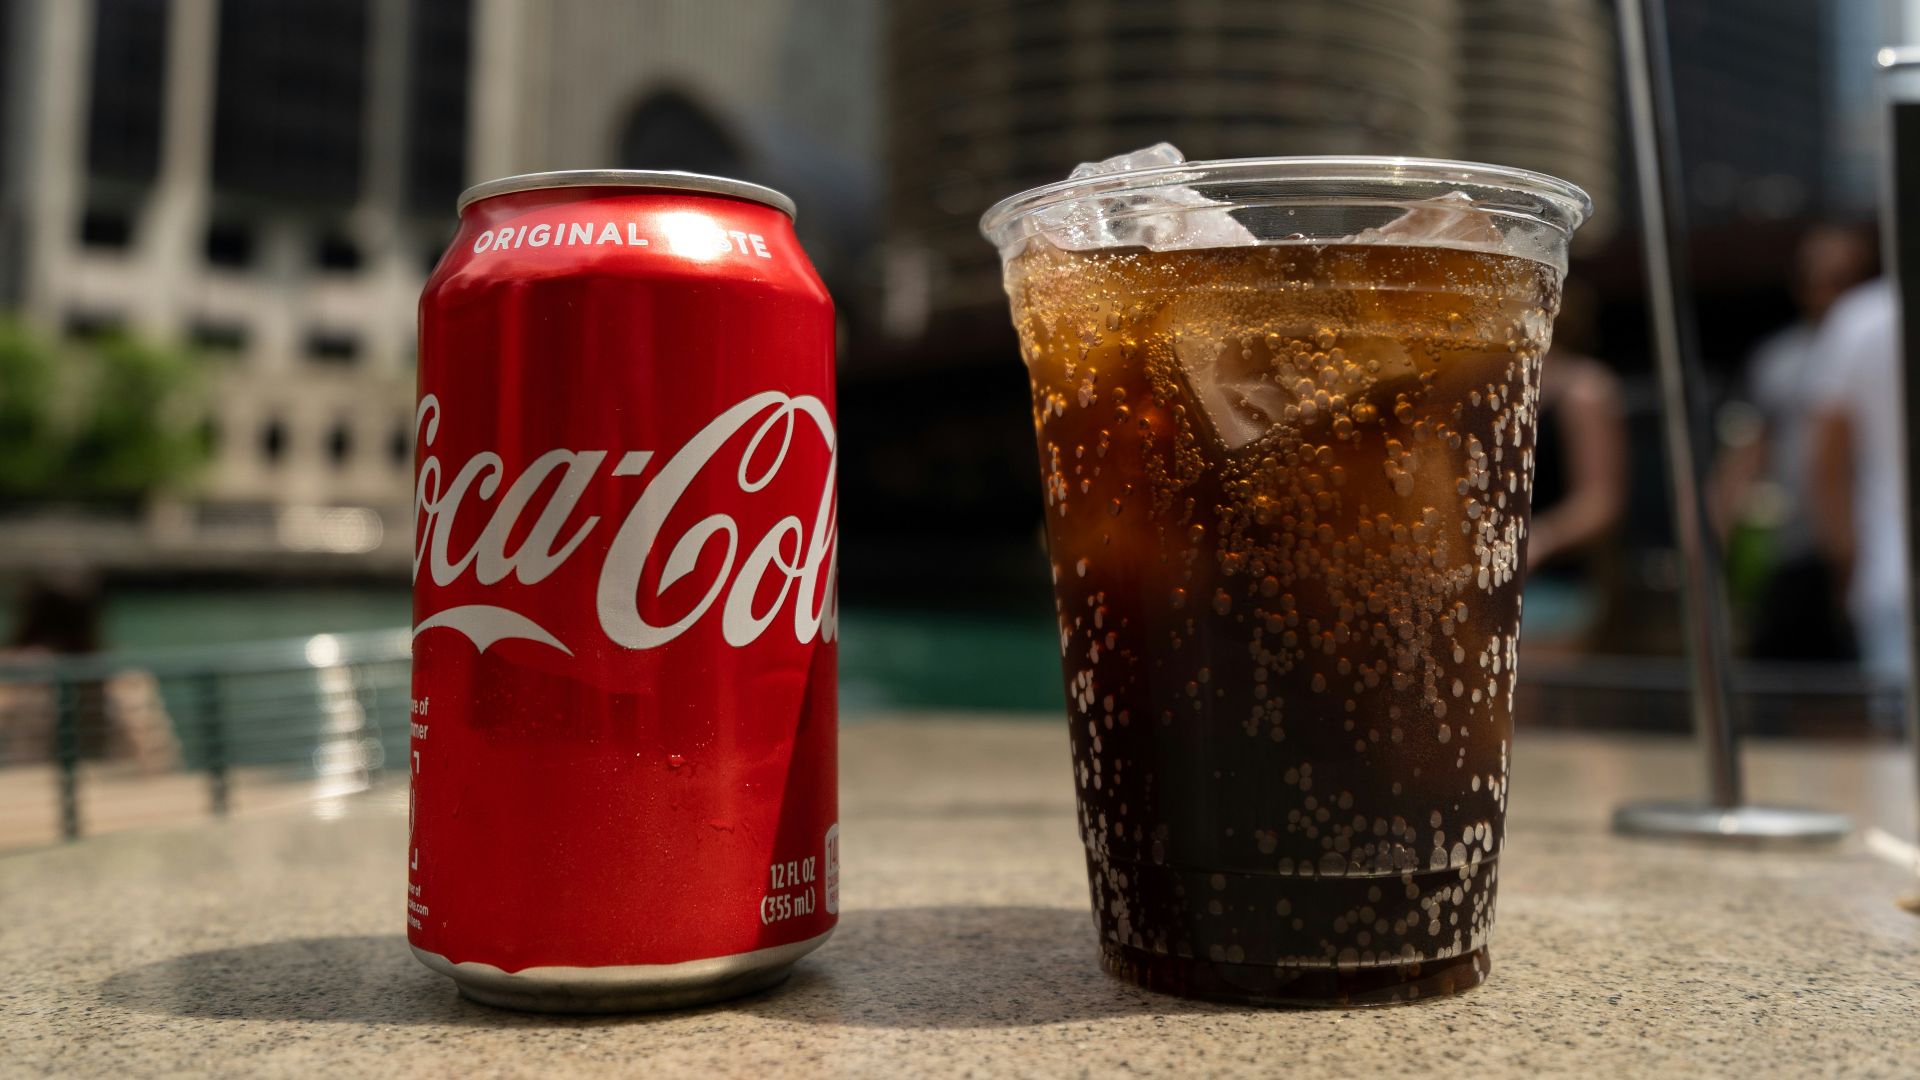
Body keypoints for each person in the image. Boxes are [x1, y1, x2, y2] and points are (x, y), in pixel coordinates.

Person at [1714, 225, 1875, 660]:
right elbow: (1749, 449)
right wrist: (1716, 534)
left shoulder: (1883, 346)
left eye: (1841, 281)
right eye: (1813, 280)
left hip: (1872, 540)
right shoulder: (1778, 358)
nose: (1824, 294)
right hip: (1796, 545)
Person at [1806, 277, 1908, 682]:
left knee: (1901, 740)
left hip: (1891, 572)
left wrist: (1844, 558)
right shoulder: (1861, 318)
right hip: (1891, 572)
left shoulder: (1862, 318)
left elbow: (1825, 458)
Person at [1523, 283, 1629, 647]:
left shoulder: (1583, 389)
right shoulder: (1498, 382)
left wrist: (1538, 542)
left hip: (1554, 588)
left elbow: (1599, 502)